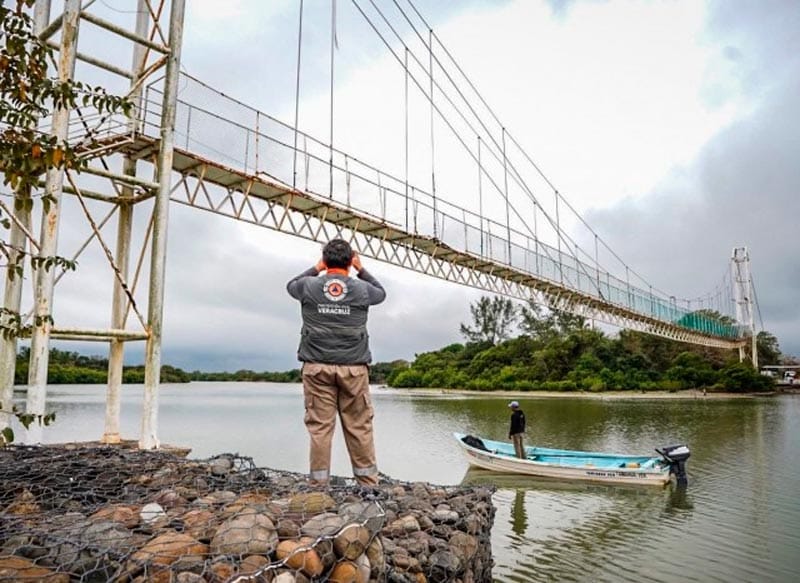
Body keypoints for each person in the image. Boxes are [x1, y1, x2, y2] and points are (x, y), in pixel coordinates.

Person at [286, 239, 386, 486]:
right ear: (350, 260)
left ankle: (319, 486)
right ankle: (368, 486)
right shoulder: (362, 289)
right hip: (353, 369)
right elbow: (381, 293)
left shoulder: (308, 286)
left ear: (324, 259)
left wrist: (317, 268)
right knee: (359, 427)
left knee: (320, 429)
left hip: (316, 367)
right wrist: (361, 269)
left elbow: (290, 285)